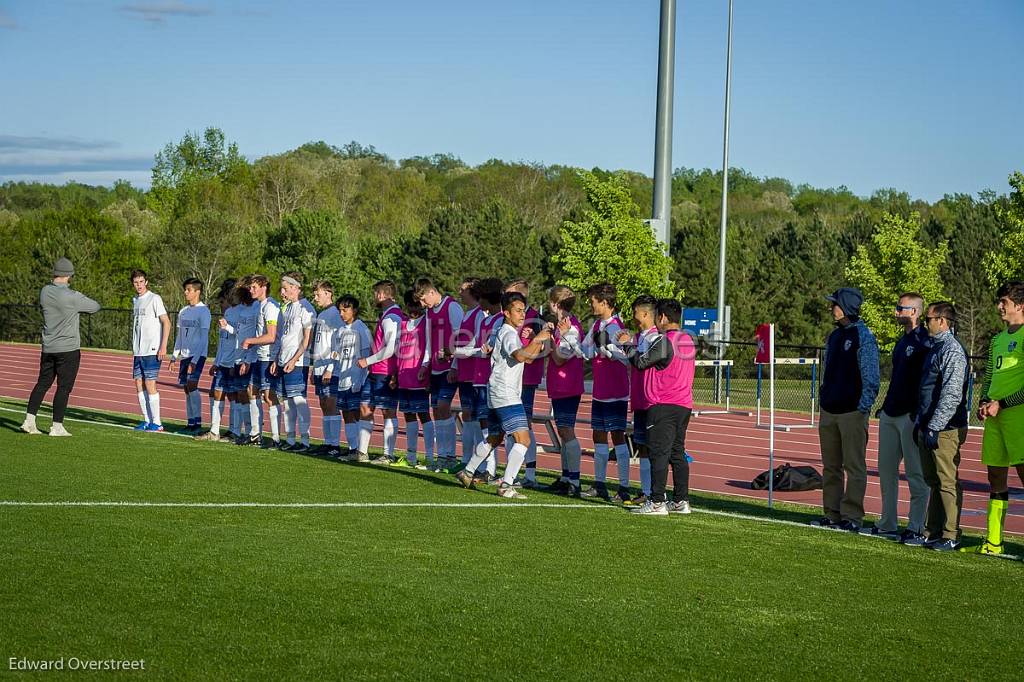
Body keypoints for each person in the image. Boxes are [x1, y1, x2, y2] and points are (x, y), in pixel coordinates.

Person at [456, 292, 552, 498]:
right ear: (505, 312)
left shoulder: (507, 331)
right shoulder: (508, 332)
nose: (521, 314)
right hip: (506, 393)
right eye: (517, 310)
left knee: (495, 437)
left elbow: (528, 358)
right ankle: (506, 485)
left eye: (523, 311)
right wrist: (537, 339)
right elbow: (520, 355)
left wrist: (538, 342)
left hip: (498, 391)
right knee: (523, 439)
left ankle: (467, 471)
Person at [862, 293, 931, 543]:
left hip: (910, 416)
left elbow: (927, 382)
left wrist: (918, 412)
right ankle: (887, 522)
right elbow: (898, 378)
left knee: (915, 473)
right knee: (886, 470)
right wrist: (885, 406)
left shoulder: (925, 340)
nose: (895, 312)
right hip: (891, 414)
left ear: (914, 311)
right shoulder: (902, 342)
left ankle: (916, 527)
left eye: (900, 308)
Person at [812, 287, 880, 532]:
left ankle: (852, 516)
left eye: (835, 304)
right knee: (831, 467)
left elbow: (871, 377)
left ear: (847, 307)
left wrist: (862, 407)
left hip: (852, 412)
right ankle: (832, 514)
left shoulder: (864, 336)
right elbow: (828, 370)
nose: (832, 308)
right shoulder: (834, 336)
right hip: (829, 410)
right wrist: (824, 397)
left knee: (854, 466)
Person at [624, 299, 696, 515]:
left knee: (659, 453)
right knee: (677, 453)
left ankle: (656, 501)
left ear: (663, 318)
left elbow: (641, 362)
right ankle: (681, 500)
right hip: (683, 404)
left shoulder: (666, 341)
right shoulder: (688, 340)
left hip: (663, 403)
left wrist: (628, 345)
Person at [969, 281, 1024, 556]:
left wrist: (1002, 403)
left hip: (1018, 418)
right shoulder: (997, 340)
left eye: (1004, 301)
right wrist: (983, 401)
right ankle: (993, 542)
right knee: (995, 476)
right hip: (995, 417)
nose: (999, 306)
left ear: (1020, 305)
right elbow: (989, 376)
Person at [21, 258, 101, 437]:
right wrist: (78, 298)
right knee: (64, 387)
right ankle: (57, 426)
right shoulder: (72, 297)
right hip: (68, 348)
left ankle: (29, 420)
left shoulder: (45, 292)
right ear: (69, 276)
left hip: (48, 347)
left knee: (42, 383)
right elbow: (95, 307)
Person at [915, 301, 969, 552]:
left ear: (943, 321)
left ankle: (951, 533)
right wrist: (922, 423)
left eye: (929, 319)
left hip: (946, 427)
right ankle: (933, 530)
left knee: (947, 481)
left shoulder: (952, 350)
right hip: (929, 425)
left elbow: (951, 394)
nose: (926, 324)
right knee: (933, 480)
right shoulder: (934, 348)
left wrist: (935, 425)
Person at [576, 283, 631, 502]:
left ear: (605, 302)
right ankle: (599, 483)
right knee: (598, 436)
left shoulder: (617, 327)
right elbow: (585, 349)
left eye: (593, 301)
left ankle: (624, 487)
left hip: (616, 391)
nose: (590, 304)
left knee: (617, 437)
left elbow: (625, 356)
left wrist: (607, 348)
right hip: (600, 390)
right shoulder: (597, 324)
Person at [415, 278, 464, 472]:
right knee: (436, 410)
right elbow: (429, 341)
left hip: (449, 368)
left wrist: (455, 364)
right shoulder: (429, 312)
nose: (421, 304)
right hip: (435, 368)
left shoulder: (452, 307)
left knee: (444, 407)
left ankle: (450, 456)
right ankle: (442, 455)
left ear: (431, 292)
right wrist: (425, 364)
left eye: (422, 299)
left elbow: (462, 337)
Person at [542, 285, 585, 496]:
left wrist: (551, 339)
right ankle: (566, 476)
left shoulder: (572, 328)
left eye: (551, 301)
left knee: (567, 430)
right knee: (562, 430)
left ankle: (575, 481)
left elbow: (560, 358)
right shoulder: (562, 326)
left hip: (568, 385)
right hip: (559, 386)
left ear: (556, 304)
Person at [357, 280, 405, 464]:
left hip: (385, 371)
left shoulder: (391, 317)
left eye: (376, 293)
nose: (374, 297)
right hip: (376, 369)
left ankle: (388, 453)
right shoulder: (388, 315)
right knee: (365, 407)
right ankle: (362, 452)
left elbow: (390, 348)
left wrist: (367, 361)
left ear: (382, 295)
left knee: (387, 411)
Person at [618, 294, 660, 506]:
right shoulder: (640, 336)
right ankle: (646, 491)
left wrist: (627, 346)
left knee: (653, 447)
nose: (633, 317)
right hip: (639, 398)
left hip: (651, 400)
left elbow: (641, 361)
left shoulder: (655, 337)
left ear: (645, 313)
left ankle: (655, 493)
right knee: (642, 445)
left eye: (635, 312)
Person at [504, 279, 544, 487]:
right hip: (511, 379)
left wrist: (535, 340)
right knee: (511, 427)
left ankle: (530, 474)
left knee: (524, 425)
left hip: (526, 379)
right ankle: (513, 472)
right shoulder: (509, 316)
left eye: (509, 292)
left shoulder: (535, 317)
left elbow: (543, 348)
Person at [272, 272, 315, 452]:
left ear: (296, 287)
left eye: (286, 288)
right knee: (287, 402)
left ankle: (305, 440)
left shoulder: (306, 308)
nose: (282, 292)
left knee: (298, 399)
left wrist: (295, 359)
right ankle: (290, 440)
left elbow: (307, 340)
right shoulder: (287, 308)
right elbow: (283, 336)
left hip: (297, 362)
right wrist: (277, 358)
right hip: (283, 359)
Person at [242, 275, 282, 447]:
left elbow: (271, 336)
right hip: (259, 356)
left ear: (264, 287)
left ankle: (276, 438)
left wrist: (250, 341)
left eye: (253, 287)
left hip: (268, 356)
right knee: (251, 390)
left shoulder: (271, 307)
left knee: (269, 396)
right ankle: (255, 433)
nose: (251, 290)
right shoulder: (260, 305)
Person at [396, 289, 434, 469]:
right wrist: (395, 374)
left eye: (417, 305)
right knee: (408, 415)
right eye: (410, 305)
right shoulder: (403, 324)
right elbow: (399, 350)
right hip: (404, 376)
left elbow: (429, 348)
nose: (413, 309)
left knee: (424, 415)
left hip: (419, 376)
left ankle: (429, 456)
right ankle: (411, 456)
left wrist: (426, 370)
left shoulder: (426, 322)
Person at [130, 269, 171, 432]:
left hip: (152, 349)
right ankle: (147, 420)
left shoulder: (155, 299)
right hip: (138, 351)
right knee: (138, 383)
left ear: (146, 282)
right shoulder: (135, 300)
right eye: (135, 282)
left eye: (141, 282)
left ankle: (157, 422)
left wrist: (163, 345)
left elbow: (166, 322)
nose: (139, 285)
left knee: (150, 383)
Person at [334, 295, 374, 462]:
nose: (342, 313)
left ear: (354, 310)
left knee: (356, 413)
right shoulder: (340, 331)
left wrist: (360, 379)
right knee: (346, 414)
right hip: (342, 378)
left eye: (345, 309)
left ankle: (361, 450)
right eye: (340, 310)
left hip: (356, 379)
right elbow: (338, 355)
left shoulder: (361, 329)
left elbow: (367, 356)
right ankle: (352, 449)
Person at [196, 280, 237, 442]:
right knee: (215, 392)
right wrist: (216, 361)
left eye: (222, 302)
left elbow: (239, 338)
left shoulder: (238, 313)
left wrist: (235, 362)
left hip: (233, 362)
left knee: (234, 396)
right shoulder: (226, 315)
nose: (221, 306)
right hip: (223, 363)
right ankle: (214, 431)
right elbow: (223, 342)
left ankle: (234, 431)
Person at [450, 277, 484, 468]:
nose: (460, 292)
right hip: (464, 371)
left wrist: (455, 353)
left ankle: (476, 462)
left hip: (475, 372)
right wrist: (455, 365)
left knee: (476, 416)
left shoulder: (479, 314)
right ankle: (466, 459)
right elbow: (461, 343)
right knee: (467, 415)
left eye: (463, 289)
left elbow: (475, 343)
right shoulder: (467, 313)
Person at [172, 278, 212, 435]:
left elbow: (204, 338)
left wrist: (195, 360)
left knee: (192, 385)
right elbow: (180, 335)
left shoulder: (204, 311)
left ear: (197, 291)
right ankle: (190, 421)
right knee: (186, 388)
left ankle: (197, 422)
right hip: (185, 355)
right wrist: (175, 356)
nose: (186, 292)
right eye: (185, 289)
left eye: (189, 290)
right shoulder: (183, 311)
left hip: (197, 355)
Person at [311, 281, 343, 456]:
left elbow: (338, 344)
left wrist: (331, 367)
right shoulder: (322, 314)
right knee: (324, 404)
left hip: (330, 368)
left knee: (331, 403)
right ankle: (327, 442)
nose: (315, 298)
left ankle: (335, 444)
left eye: (318, 294)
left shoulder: (335, 314)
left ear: (328, 293)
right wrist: (314, 368)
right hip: (319, 367)